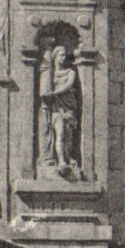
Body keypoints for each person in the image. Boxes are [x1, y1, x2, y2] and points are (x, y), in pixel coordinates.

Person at [39, 41, 81, 177]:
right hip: (56, 108)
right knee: (60, 133)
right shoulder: (50, 74)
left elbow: (69, 85)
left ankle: (68, 157)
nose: (63, 58)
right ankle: (61, 160)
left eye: (64, 55)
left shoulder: (71, 72)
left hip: (68, 106)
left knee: (69, 136)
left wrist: (55, 93)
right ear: (55, 57)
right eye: (60, 55)